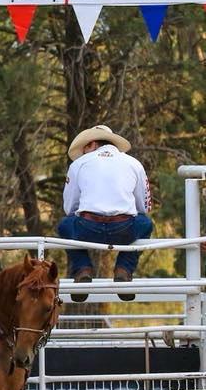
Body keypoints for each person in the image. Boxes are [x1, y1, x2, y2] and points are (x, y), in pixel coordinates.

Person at [58, 125, 152, 302]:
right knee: (145, 223)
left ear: (92, 144)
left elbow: (69, 207)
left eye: (84, 149)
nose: (83, 153)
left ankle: (82, 269)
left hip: (88, 228)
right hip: (123, 228)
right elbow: (144, 207)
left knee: (65, 225)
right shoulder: (133, 164)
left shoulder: (78, 164)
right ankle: (124, 269)